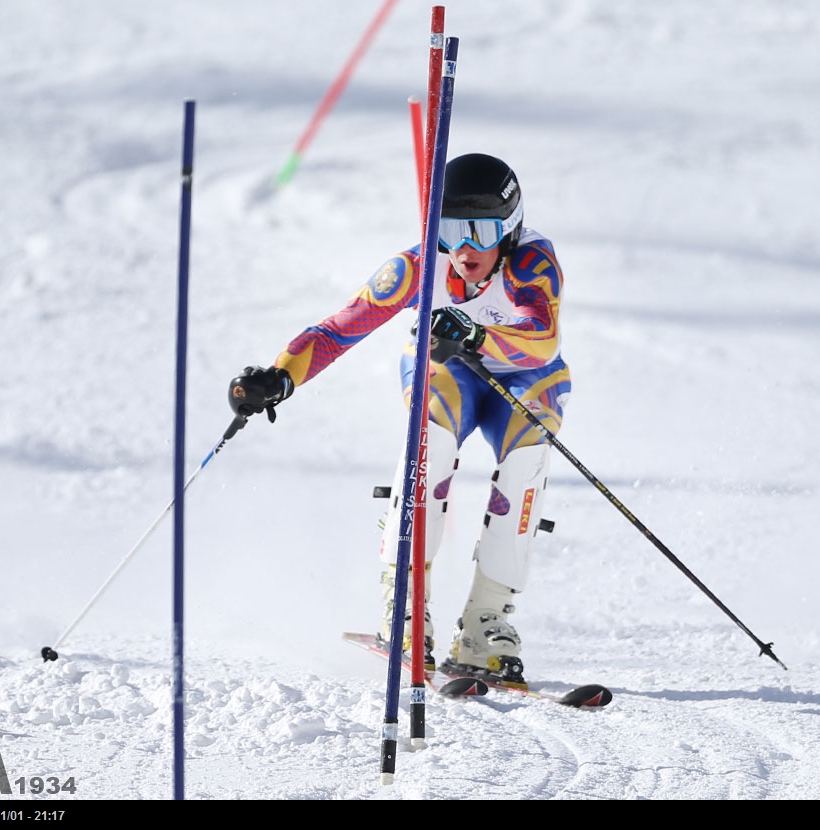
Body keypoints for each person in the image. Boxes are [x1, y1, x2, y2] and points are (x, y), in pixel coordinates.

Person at [227, 153, 569, 689]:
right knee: (428, 437)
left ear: (511, 228)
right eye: (450, 228)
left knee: (529, 456)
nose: (464, 247)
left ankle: (487, 622)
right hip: (446, 369)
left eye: (480, 230)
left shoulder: (532, 264)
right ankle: (405, 606)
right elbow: (340, 329)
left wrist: (478, 334)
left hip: (521, 377)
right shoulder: (415, 268)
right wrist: (281, 376)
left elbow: (541, 339)